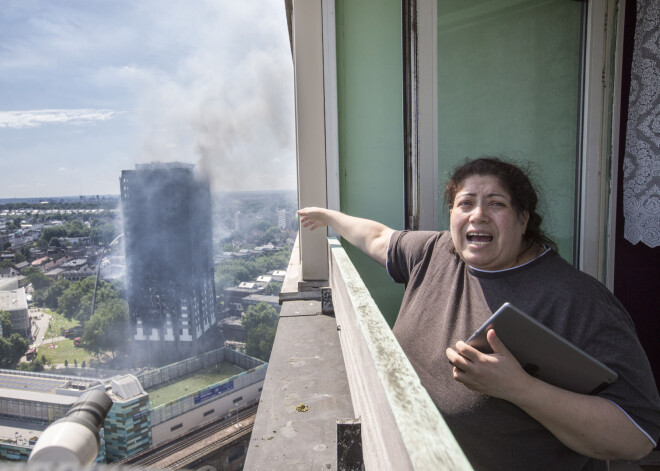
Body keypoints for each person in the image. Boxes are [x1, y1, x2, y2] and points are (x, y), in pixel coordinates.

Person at [298, 157, 660, 470]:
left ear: (523, 219)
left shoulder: (577, 300)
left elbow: (637, 437)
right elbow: (378, 237)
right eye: (465, 202)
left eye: (496, 204)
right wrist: (330, 217)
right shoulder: (437, 253)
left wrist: (521, 389)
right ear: (452, 215)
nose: (478, 215)